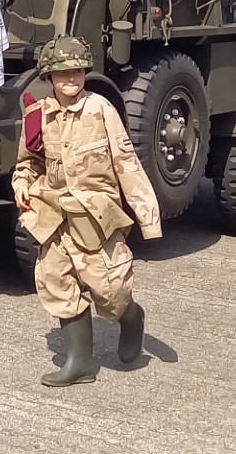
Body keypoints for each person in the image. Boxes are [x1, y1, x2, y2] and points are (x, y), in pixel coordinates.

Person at [12, 36, 162, 388]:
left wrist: (148, 217)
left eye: (78, 72)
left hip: (96, 215)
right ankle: (80, 363)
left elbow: (126, 163)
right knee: (57, 282)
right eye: (63, 73)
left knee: (110, 290)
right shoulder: (37, 115)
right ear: (49, 76)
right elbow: (28, 162)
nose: (71, 79)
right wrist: (21, 183)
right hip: (54, 215)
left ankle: (131, 317)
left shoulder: (100, 109)